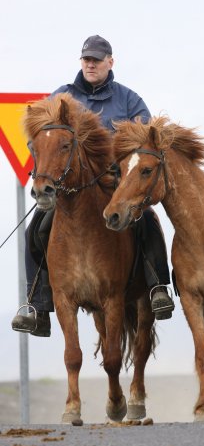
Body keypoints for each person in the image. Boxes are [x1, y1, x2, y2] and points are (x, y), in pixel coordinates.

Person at [12, 35, 175, 337]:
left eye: (97, 60)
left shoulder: (128, 99)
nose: (90, 64)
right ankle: (36, 305)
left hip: (116, 186)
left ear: (110, 62)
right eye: (86, 59)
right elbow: (42, 138)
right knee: (34, 231)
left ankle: (157, 288)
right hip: (70, 191)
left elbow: (144, 141)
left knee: (149, 221)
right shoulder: (61, 97)